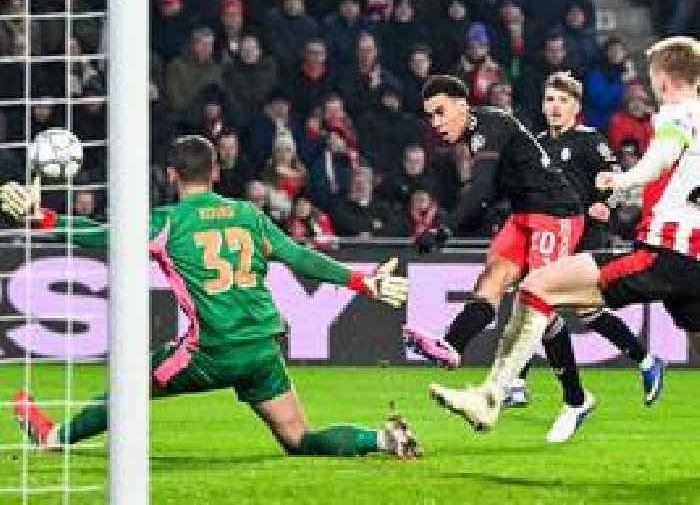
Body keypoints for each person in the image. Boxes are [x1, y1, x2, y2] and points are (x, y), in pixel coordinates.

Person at [9, 135, 419, 458]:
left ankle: (55, 437)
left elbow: (100, 235)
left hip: (210, 352)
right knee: (299, 439)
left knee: (129, 382)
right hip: (262, 348)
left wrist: (42, 217)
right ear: (216, 171)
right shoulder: (249, 214)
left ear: (172, 174)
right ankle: (381, 439)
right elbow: (299, 256)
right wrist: (363, 282)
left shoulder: (168, 222)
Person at [428, 36, 700, 438]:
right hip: (686, 259)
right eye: (549, 99)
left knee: (539, 289)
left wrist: (623, 181)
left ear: (662, 79)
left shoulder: (674, 114)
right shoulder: (541, 143)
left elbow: (661, 157)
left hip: (664, 252)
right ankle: (574, 387)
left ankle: (497, 396)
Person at [504, 73, 663, 434]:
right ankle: (644, 361)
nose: (555, 107)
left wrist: (606, 203)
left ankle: (529, 384)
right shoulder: (537, 144)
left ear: (576, 107)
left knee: (548, 302)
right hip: (553, 236)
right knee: (563, 307)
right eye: (549, 100)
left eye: (562, 101)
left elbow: (615, 180)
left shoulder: (590, 141)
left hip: (588, 235)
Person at [405, 74, 584, 371]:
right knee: (492, 278)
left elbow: (481, 188)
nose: (436, 123)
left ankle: (567, 393)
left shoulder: (490, 125)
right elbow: (491, 192)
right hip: (523, 215)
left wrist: (443, 229)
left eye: (440, 112)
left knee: (537, 303)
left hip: (555, 213)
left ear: (462, 105)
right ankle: (452, 346)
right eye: (430, 116)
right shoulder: (476, 134)